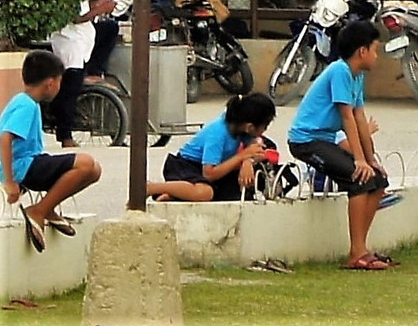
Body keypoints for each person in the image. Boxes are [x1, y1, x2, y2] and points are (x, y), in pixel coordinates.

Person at [286, 20, 392, 271]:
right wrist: (359, 160)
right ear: (362, 51)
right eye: (375, 50)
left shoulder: (357, 77)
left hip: (324, 140)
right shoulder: (340, 71)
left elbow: (359, 119)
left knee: (377, 180)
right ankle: (356, 253)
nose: (377, 56)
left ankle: (362, 248)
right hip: (307, 141)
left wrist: (371, 159)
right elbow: (346, 118)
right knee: (358, 179)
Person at [1, 51, 102, 252]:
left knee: (94, 170)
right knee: (85, 163)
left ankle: (47, 208)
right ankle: (38, 211)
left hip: (30, 163)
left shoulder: (28, 103)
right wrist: (11, 182)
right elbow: (5, 137)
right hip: (21, 167)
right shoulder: (26, 105)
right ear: (50, 83)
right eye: (59, 81)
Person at [46, 0, 119, 148]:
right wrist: (100, 9)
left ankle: (95, 70)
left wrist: (98, 3)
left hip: (84, 36)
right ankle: (65, 135)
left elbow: (83, 5)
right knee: (71, 88)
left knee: (109, 28)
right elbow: (75, 16)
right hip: (70, 38)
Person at [149, 92, 275, 202]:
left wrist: (247, 162)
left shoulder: (238, 125)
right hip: (185, 166)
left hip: (207, 167)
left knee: (232, 191)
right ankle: (152, 188)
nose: (264, 132)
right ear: (250, 127)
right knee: (206, 192)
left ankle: (176, 195)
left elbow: (257, 144)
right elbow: (208, 174)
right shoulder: (218, 133)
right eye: (265, 127)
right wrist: (241, 156)